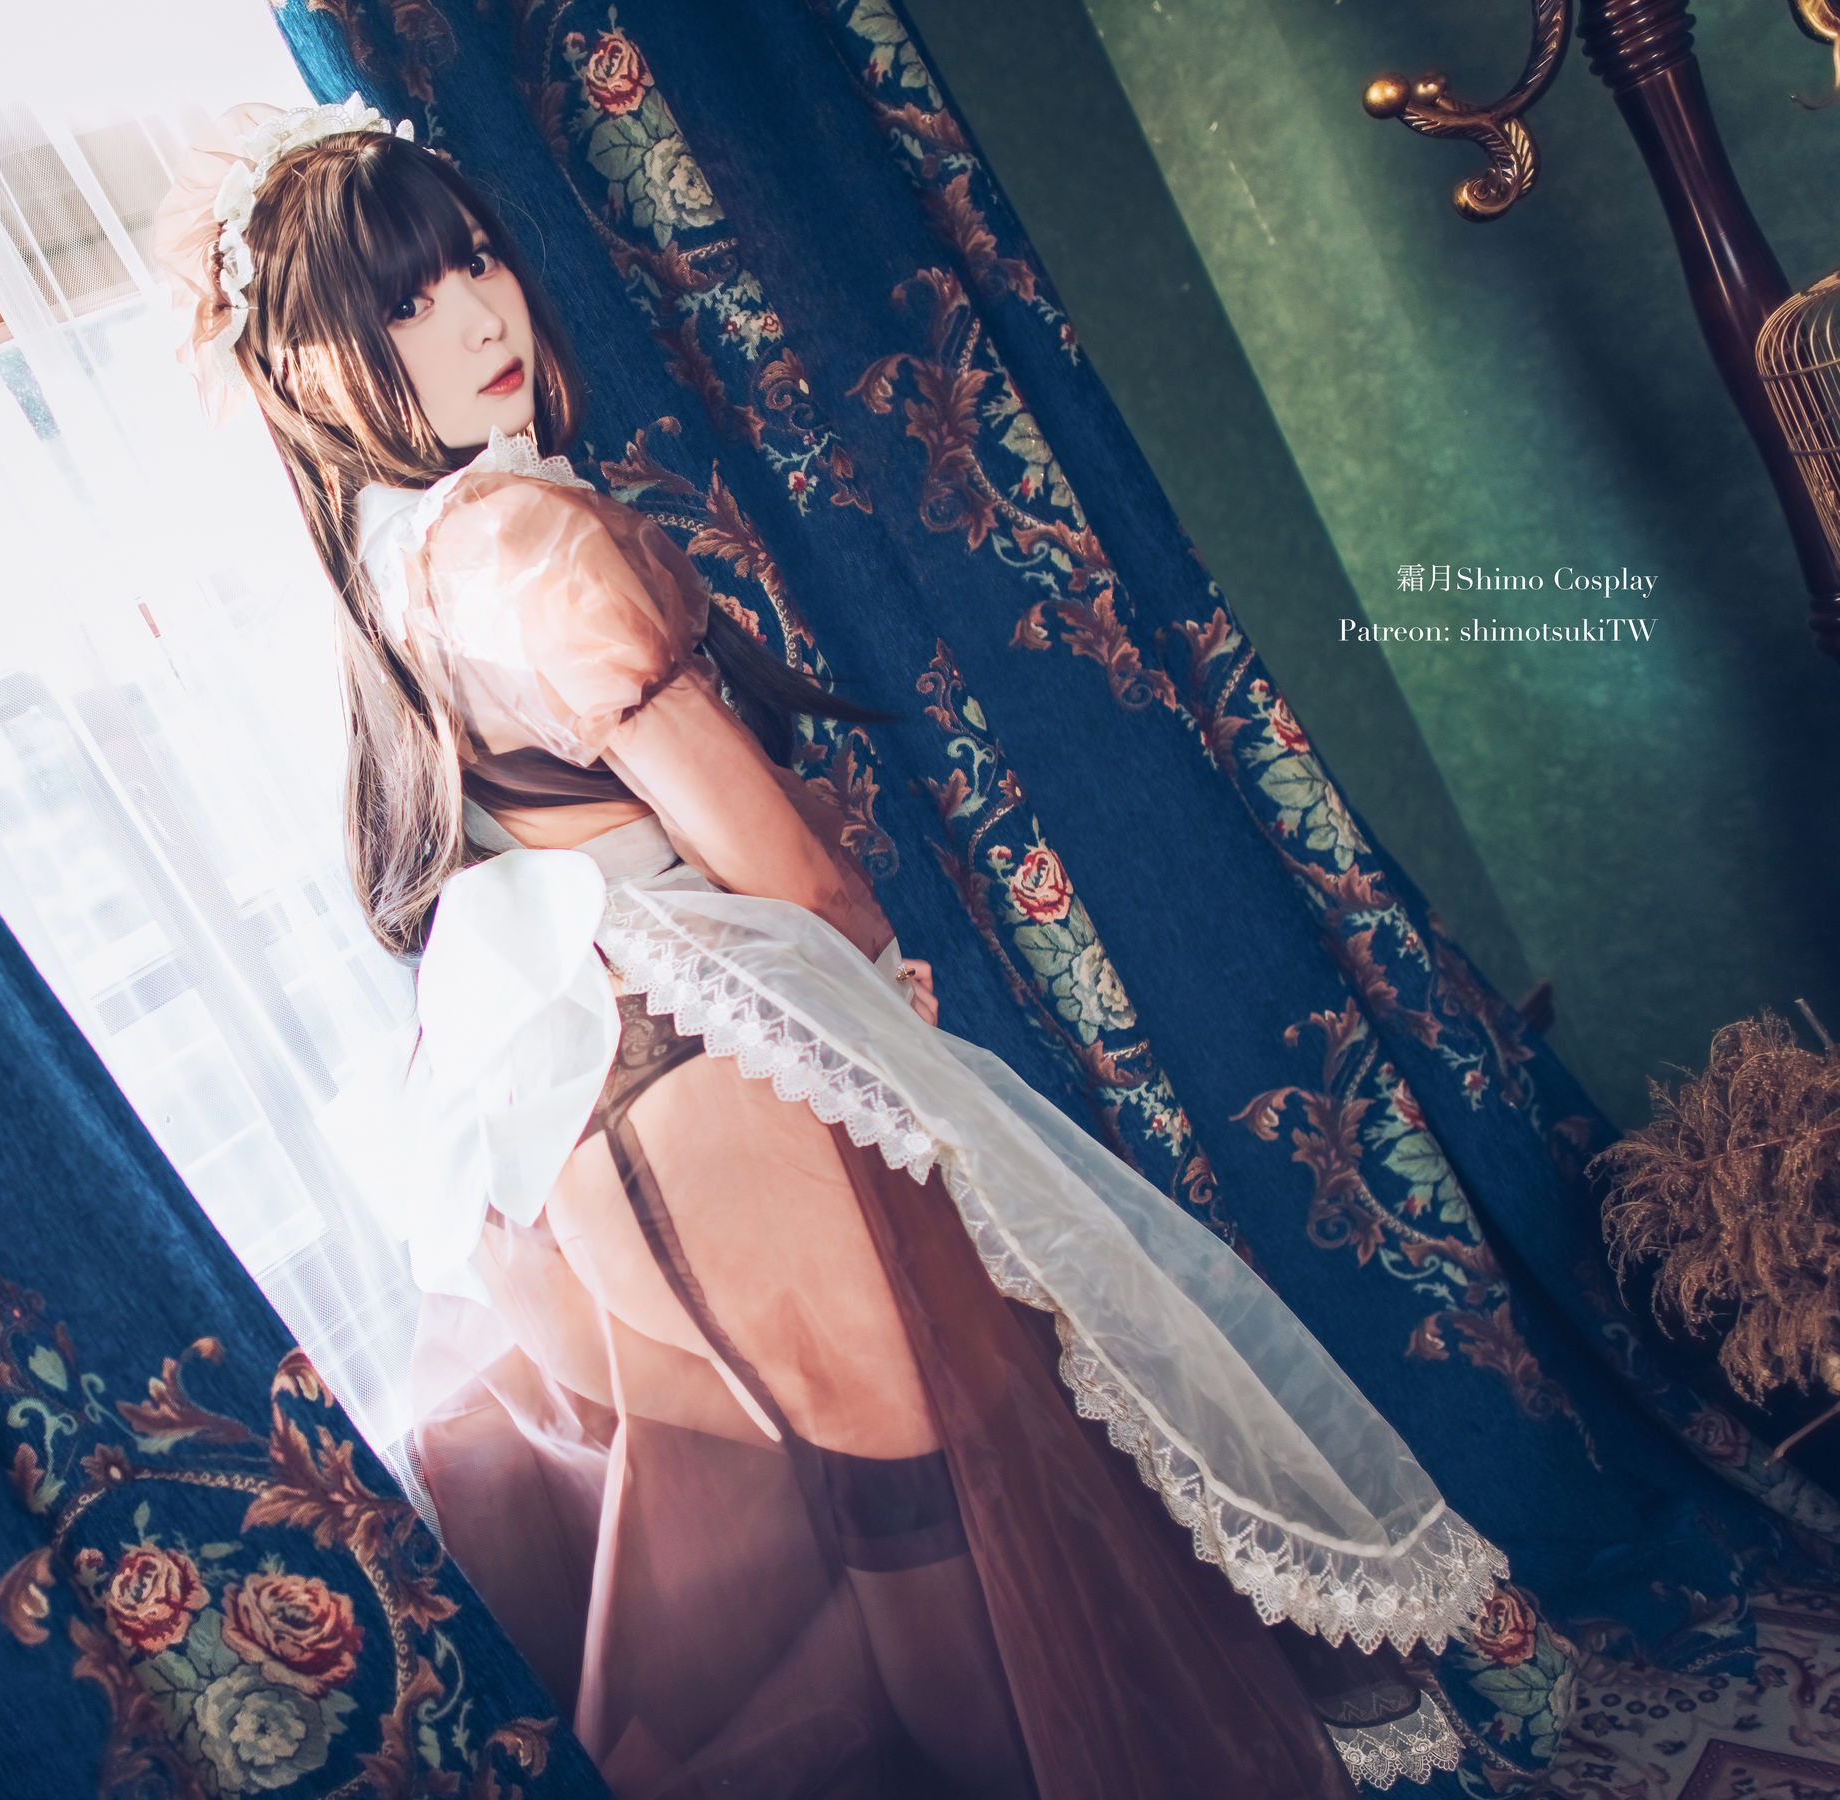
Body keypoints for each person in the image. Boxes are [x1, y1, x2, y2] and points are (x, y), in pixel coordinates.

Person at [153, 97, 1502, 1799]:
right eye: (408, 301)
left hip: (586, 1123)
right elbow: (779, 867)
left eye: (476, 257)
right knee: (960, 1533)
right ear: (316, 369)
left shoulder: (394, 568)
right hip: (710, 1074)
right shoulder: (525, 543)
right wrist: (873, 981)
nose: (480, 312)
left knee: (880, 1558)